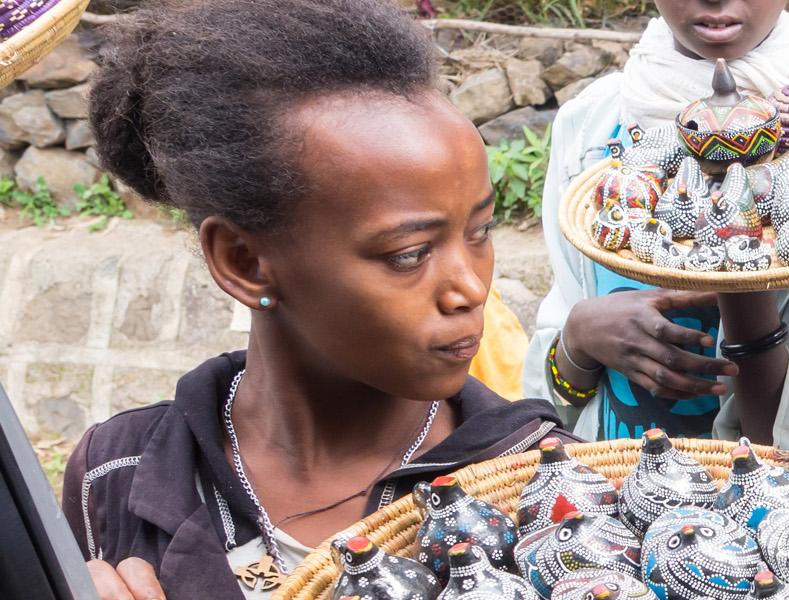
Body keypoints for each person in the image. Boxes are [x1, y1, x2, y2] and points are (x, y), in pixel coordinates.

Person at [64, 1, 580, 598]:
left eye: (480, 231)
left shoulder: (551, 488)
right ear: (244, 262)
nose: (470, 290)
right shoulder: (120, 474)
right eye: (409, 254)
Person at [528, 0, 789, 487]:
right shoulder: (591, 128)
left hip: (778, 524)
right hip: (610, 496)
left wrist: (741, 284)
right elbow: (545, 399)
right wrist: (579, 338)